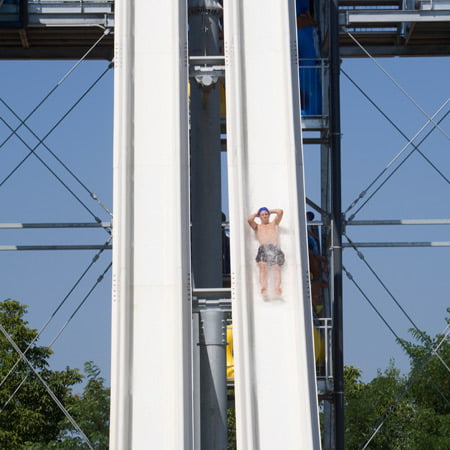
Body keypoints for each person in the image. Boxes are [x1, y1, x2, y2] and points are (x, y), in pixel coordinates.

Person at [248, 207, 284, 298]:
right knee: (263, 268)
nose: (264, 216)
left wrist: (269, 211)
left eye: (266, 214)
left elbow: (280, 212)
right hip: (263, 248)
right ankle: (264, 288)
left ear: (268, 215)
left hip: (274, 247)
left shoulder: (274, 223)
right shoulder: (257, 226)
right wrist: (258, 213)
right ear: (259, 217)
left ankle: (277, 289)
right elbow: (249, 220)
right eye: (262, 215)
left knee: (276, 268)